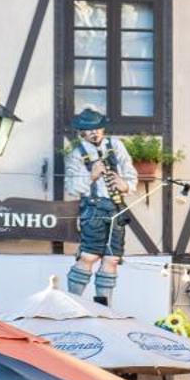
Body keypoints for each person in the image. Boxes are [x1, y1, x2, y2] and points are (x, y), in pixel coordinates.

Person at [63, 107, 137, 305]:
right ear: (82, 132)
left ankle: (105, 307)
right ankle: (73, 302)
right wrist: (91, 176)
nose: (95, 132)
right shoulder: (76, 154)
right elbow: (72, 188)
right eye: (90, 129)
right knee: (89, 255)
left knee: (111, 259)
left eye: (98, 127)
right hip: (93, 209)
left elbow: (130, 174)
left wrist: (125, 185)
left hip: (116, 208)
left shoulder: (116, 146)